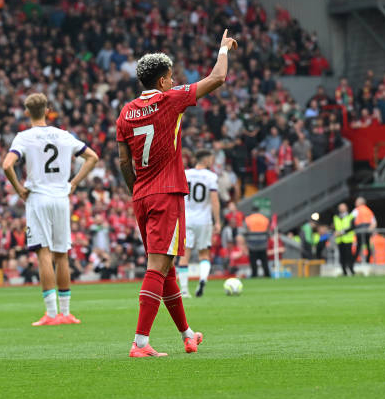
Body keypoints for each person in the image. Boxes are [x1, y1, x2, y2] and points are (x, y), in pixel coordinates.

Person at [116, 29, 237, 357]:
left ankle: (187, 335)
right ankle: (140, 343)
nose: (173, 82)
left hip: (141, 195)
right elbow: (218, 77)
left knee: (166, 266)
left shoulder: (126, 113)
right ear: (162, 81)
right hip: (166, 192)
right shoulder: (170, 99)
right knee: (158, 265)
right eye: (170, 78)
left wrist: (136, 190)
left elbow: (124, 161)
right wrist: (223, 48)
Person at [2, 93, 99, 326]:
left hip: (38, 198)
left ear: (26, 113)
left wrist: (18, 189)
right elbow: (93, 157)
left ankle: (51, 314)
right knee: (61, 254)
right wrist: (74, 183)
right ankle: (66, 313)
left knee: (43, 253)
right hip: (61, 197)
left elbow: (7, 165)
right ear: (48, 110)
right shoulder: (64, 135)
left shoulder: (24, 137)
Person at [179, 149, 221, 298]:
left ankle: (184, 290)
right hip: (204, 220)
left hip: (187, 218)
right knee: (204, 254)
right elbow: (214, 200)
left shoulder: (185, 173)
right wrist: (218, 221)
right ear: (206, 159)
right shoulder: (211, 176)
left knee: (185, 254)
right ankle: (202, 280)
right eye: (211, 158)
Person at [242, 205, 271, 278]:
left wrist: (246, 242)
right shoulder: (265, 219)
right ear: (258, 211)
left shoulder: (248, 219)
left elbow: (245, 231)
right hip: (263, 243)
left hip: (252, 244)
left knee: (253, 261)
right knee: (264, 260)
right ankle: (267, 274)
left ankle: (254, 274)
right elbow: (268, 232)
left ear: (252, 211)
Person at [351, 197, 376, 263]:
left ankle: (355, 262)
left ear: (360, 203)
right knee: (368, 246)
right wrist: (370, 229)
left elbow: (350, 220)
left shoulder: (356, 210)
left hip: (359, 230)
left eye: (356, 202)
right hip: (367, 231)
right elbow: (374, 222)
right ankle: (368, 261)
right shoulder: (369, 210)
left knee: (358, 247)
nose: (355, 203)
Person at [333, 203, 355, 276]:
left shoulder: (350, 216)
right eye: (340, 207)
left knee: (349, 255)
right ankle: (344, 271)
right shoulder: (336, 217)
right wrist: (335, 232)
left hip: (348, 239)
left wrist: (342, 232)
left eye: (343, 207)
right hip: (340, 240)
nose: (341, 209)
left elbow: (352, 226)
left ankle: (351, 270)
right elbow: (334, 227)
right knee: (342, 256)